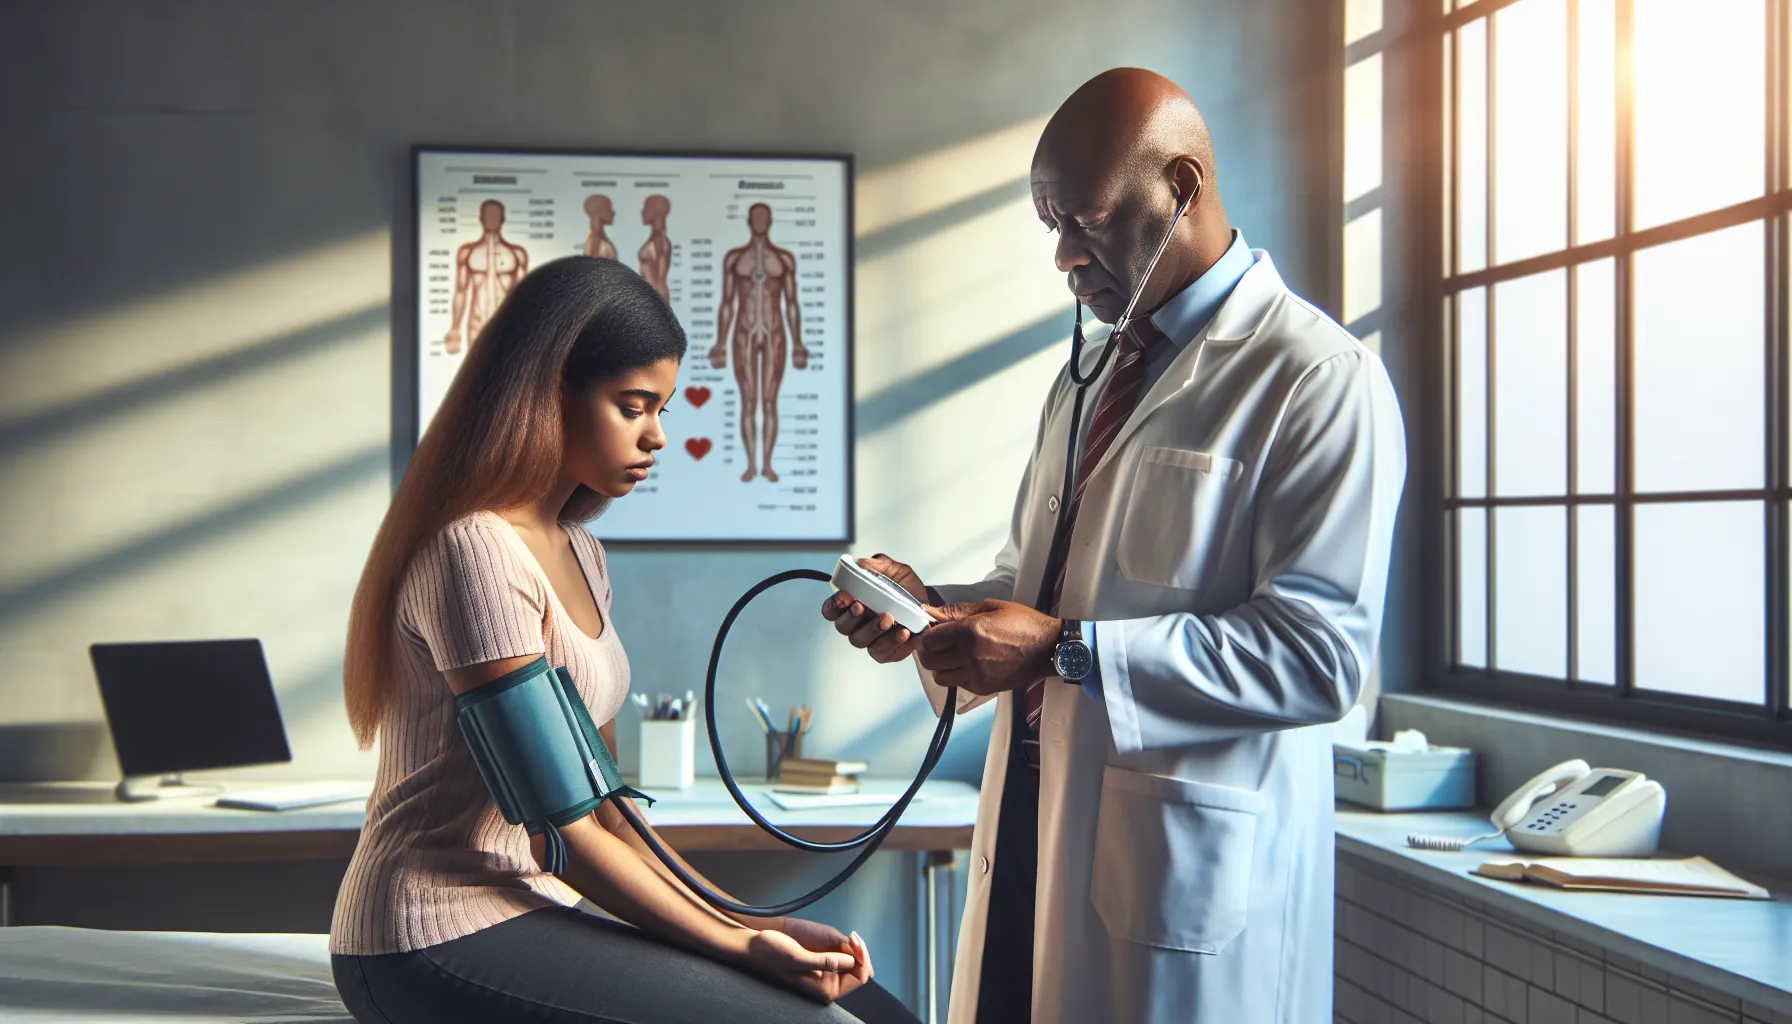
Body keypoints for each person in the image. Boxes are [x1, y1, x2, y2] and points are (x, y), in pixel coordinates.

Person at [823, 69, 1406, 1023]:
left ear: (1181, 186)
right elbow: (1035, 586)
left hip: (1177, 872)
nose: (1062, 257)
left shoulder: (1318, 378)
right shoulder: (1091, 377)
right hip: (1029, 824)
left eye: (1083, 221)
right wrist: (931, 611)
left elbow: (1320, 657)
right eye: (1049, 225)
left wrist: (1063, 649)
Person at [333, 256, 917, 1024]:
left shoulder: (581, 551)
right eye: (634, 405)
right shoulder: (471, 552)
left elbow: (609, 811)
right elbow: (563, 833)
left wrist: (748, 921)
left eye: (662, 407)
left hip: (522, 905)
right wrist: (738, 947)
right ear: (548, 393)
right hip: (424, 935)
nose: (659, 436)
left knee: (876, 1011)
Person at [709, 202, 808, 483]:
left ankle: (767, 464)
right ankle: (751, 464)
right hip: (744, 333)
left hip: (775, 332)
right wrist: (720, 343)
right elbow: (726, 304)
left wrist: (799, 343)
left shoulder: (784, 260)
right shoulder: (734, 259)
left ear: (771, 221)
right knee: (748, 401)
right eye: (756, 217)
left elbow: (792, 305)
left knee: (770, 400)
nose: (760, 221)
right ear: (750, 221)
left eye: (765, 217)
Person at [445, 199, 529, 355]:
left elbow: (523, 296)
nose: (491, 219)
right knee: (476, 369)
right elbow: (461, 291)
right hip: (477, 321)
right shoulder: (467, 253)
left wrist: (526, 331)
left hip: (506, 321)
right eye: (488, 215)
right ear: (481, 218)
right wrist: (455, 328)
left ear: (502, 219)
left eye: (495, 215)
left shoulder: (517, 255)